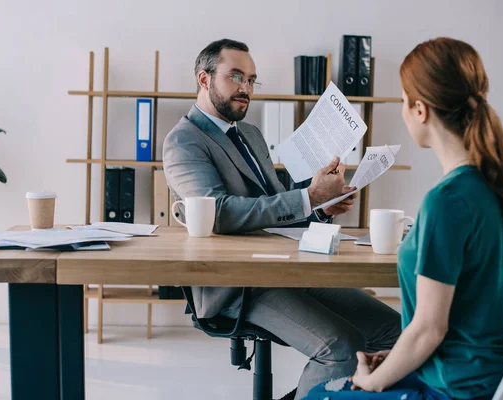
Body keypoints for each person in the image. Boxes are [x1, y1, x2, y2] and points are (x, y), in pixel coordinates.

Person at [163, 39, 401, 400]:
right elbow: (219, 213)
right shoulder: (183, 140)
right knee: (342, 348)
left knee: (395, 330)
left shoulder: (252, 135)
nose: (246, 88)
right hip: (239, 284)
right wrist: (308, 197)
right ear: (204, 79)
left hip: (287, 267)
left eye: (252, 80)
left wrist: (321, 205)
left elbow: (274, 206)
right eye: (236, 77)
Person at [303, 37, 503, 400]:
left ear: (420, 109)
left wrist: (372, 382)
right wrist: (395, 360)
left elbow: (428, 329)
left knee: (320, 395)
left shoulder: (448, 200)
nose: (404, 110)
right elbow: (465, 317)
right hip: (481, 378)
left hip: (453, 389)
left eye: (403, 101)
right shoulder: (498, 186)